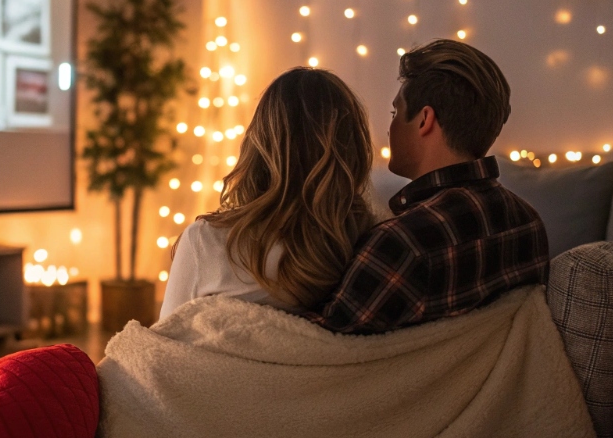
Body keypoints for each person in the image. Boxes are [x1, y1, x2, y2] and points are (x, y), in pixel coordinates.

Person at [310, 39, 549, 334]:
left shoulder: (401, 244)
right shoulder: (528, 221)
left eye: (395, 114)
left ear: (425, 119)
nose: (390, 129)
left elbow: (321, 346)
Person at [159, 67, 375, 319]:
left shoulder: (207, 242)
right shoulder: (371, 245)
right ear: (354, 149)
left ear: (259, 143)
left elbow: (165, 339)